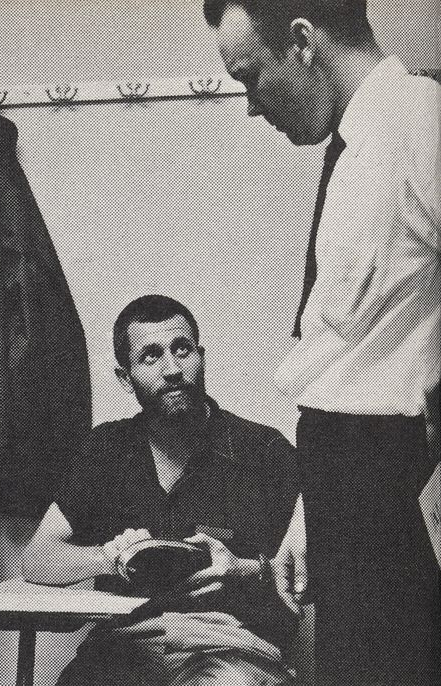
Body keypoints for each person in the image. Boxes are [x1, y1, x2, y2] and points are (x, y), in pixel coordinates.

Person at [203, 2, 440, 685]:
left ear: (303, 41)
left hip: (390, 489)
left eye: (250, 76)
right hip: (344, 485)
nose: (253, 106)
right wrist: (312, 506)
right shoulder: (357, 144)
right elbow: (351, 355)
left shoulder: (417, 123)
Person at [23, 295, 300, 686]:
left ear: (202, 357)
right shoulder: (106, 449)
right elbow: (36, 560)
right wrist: (112, 558)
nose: (172, 369)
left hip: (229, 645)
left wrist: (246, 569)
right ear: (125, 378)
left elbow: (321, 563)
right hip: (125, 645)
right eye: (151, 356)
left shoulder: (262, 450)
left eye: (182, 350)